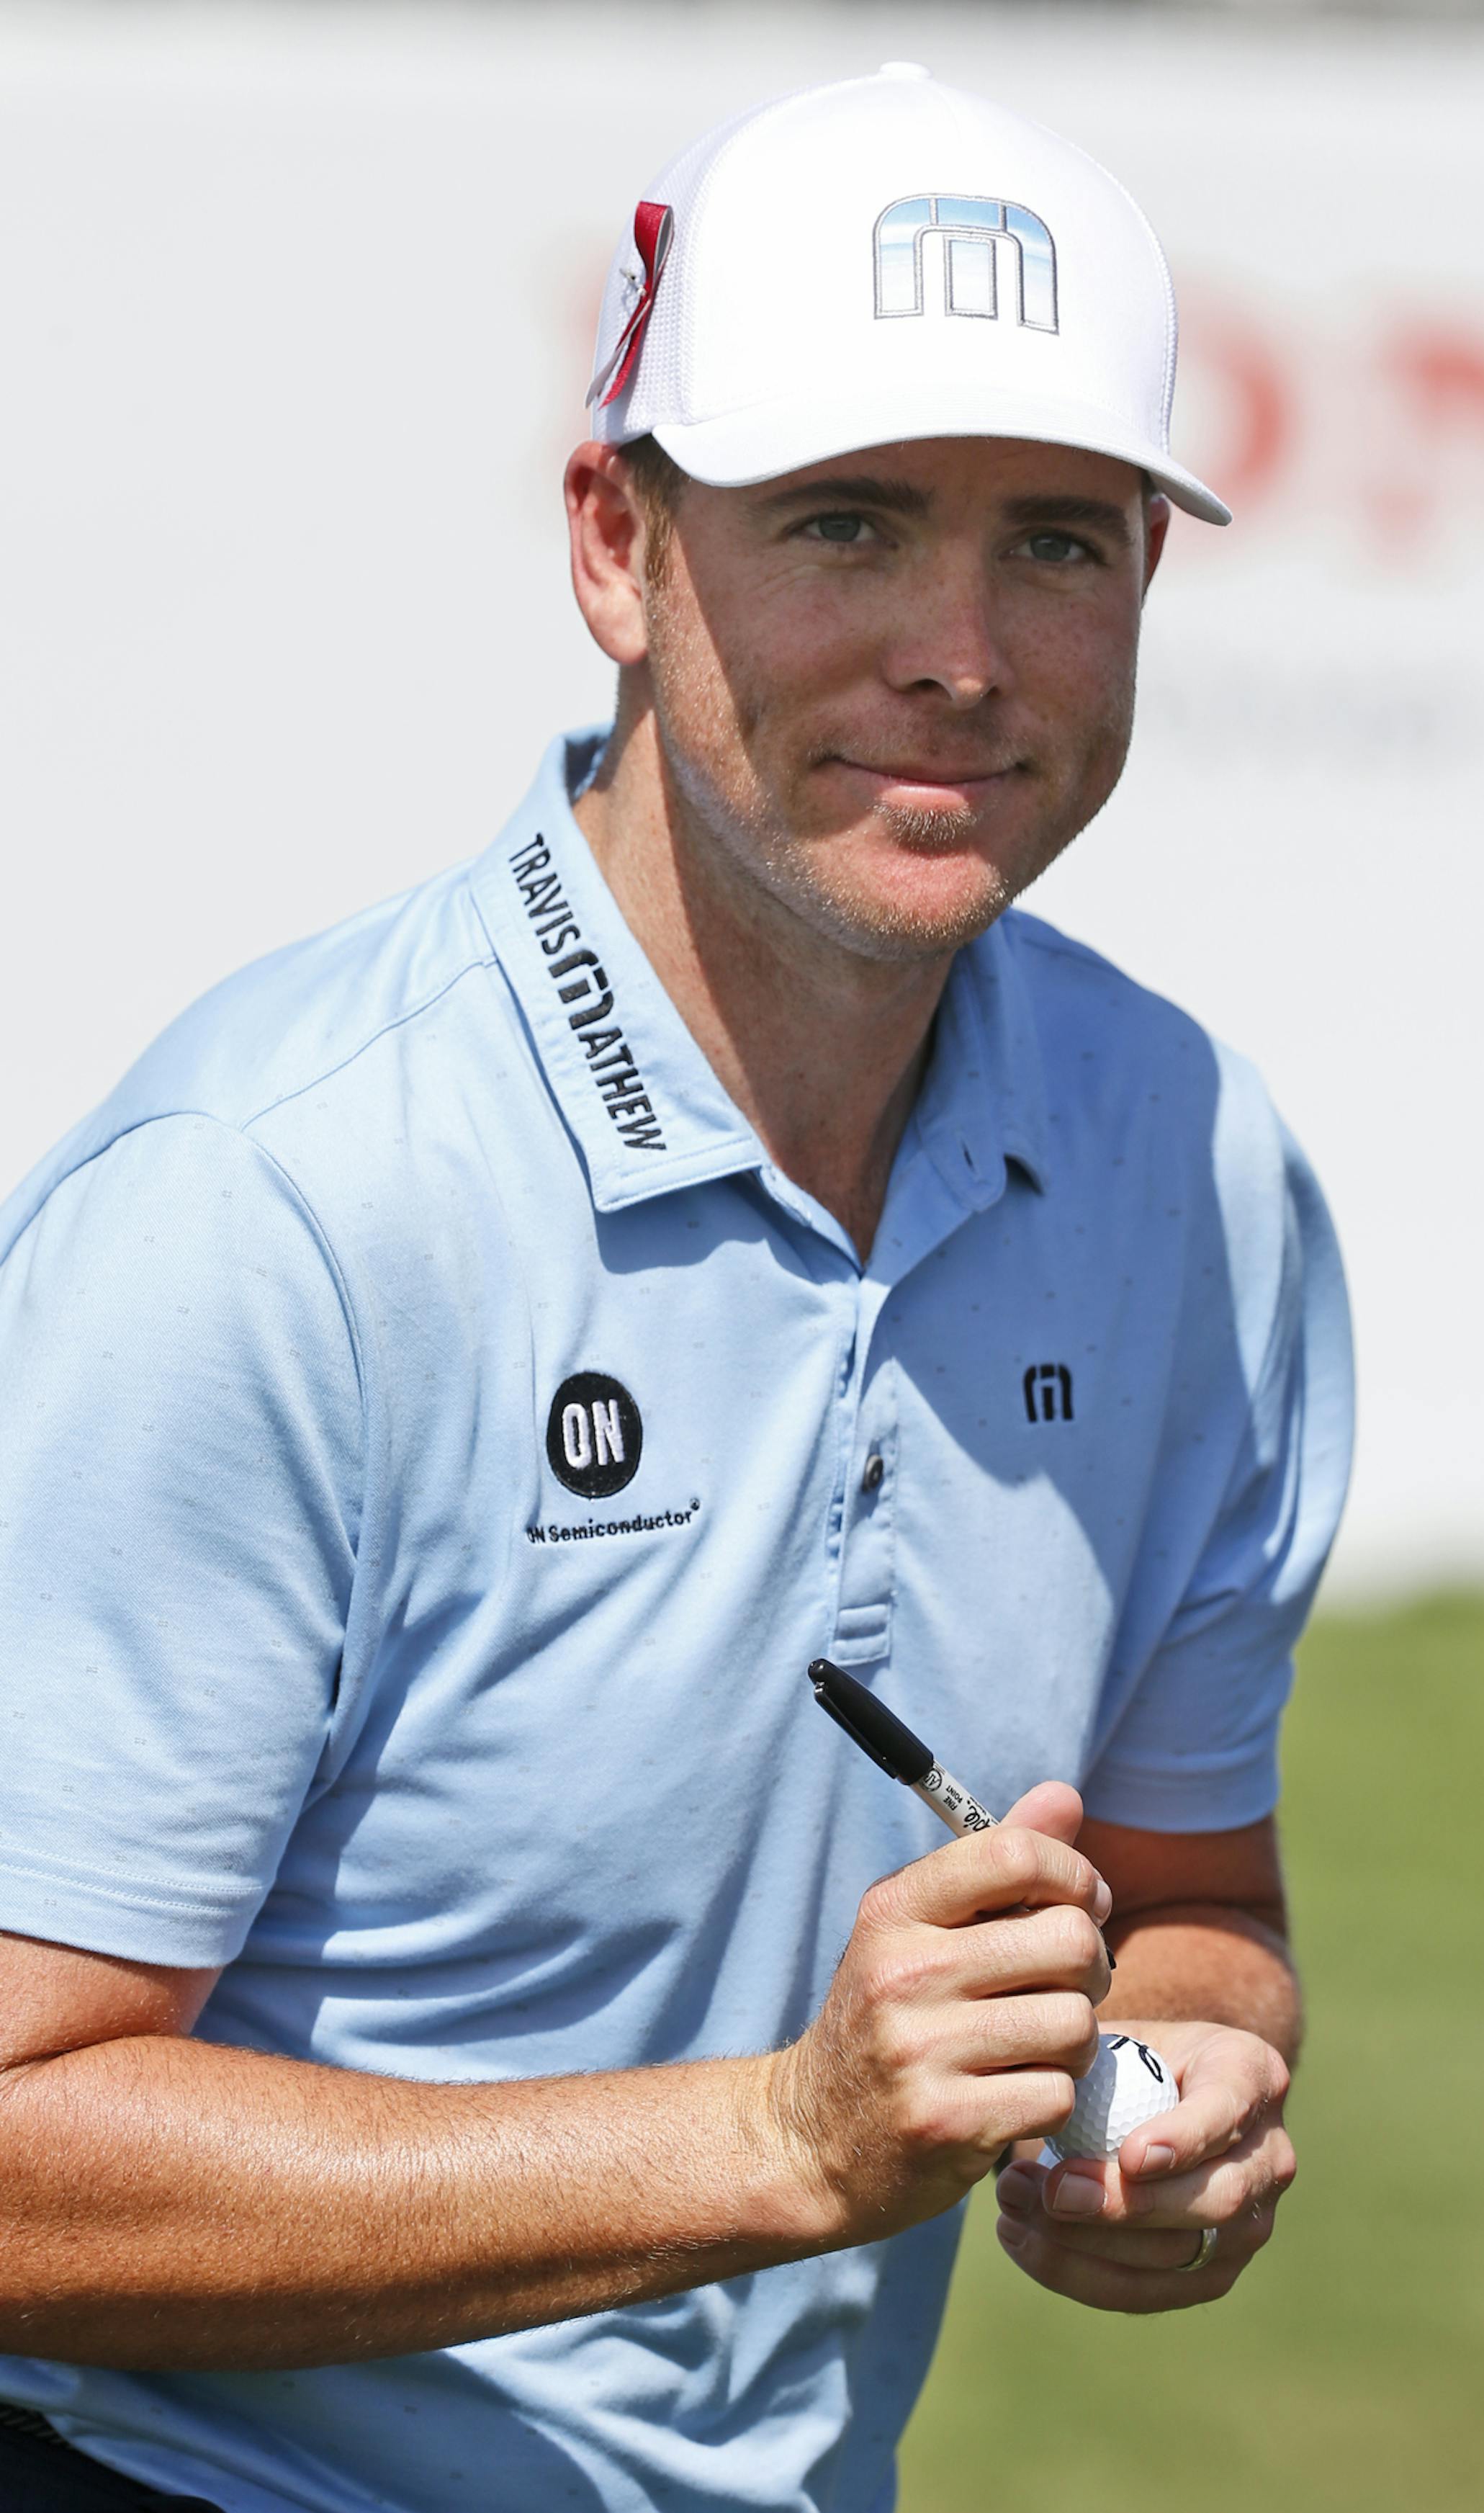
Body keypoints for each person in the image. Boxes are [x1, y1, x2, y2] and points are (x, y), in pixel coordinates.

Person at [0, 61, 1352, 2513]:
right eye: (850, 520)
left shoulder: (1202, 1170)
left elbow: (1194, 1896)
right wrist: (776, 2137)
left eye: (1056, 540)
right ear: (616, 544)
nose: (962, 648)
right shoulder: (269, 1199)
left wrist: (1174, 2075)